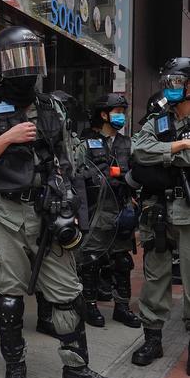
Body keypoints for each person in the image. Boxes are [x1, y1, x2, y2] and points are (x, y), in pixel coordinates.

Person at [0, 26, 119, 378]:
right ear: (1, 64)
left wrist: (72, 209)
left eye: (33, 57)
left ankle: (76, 369)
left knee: (67, 294)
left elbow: (68, 162)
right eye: (18, 59)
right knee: (9, 297)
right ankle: (15, 368)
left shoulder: (52, 109)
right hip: (5, 215)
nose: (27, 68)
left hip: (49, 214)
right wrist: (7, 138)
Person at [130, 57, 190, 374]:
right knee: (155, 276)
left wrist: (165, 154)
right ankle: (152, 338)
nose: (171, 88)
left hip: (188, 211)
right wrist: (177, 147)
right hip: (157, 210)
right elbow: (138, 151)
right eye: (169, 82)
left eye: (178, 83)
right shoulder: (159, 121)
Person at [74, 93, 140, 328]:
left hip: (121, 211)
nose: (121, 116)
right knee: (91, 260)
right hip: (95, 211)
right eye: (117, 112)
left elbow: (139, 176)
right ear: (103, 114)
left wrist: (133, 191)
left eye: (123, 112)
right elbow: (76, 179)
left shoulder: (129, 144)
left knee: (122, 261)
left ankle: (122, 307)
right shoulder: (86, 144)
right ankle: (90, 306)